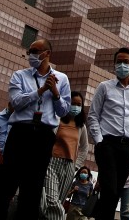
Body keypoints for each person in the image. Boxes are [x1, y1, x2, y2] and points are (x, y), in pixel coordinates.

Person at [0, 38, 71, 220]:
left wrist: (55, 92)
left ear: (47, 53)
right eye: (30, 51)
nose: (30, 54)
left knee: (33, 187)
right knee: (7, 183)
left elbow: (64, 111)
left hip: (44, 135)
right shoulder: (20, 75)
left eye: (35, 51)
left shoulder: (61, 79)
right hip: (20, 132)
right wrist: (39, 92)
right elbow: (16, 102)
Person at [86, 47, 129, 220]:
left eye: (126, 62)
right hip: (107, 145)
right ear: (114, 65)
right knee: (109, 189)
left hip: (127, 149)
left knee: (115, 192)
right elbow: (93, 116)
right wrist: (99, 141)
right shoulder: (104, 87)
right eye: (119, 61)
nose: (122, 65)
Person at [41, 91, 89, 220]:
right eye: (73, 103)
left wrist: (76, 166)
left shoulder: (81, 126)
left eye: (79, 104)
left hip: (69, 166)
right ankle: (61, 217)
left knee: (59, 201)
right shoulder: (57, 119)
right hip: (52, 163)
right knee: (52, 200)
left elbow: (84, 148)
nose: (76, 107)